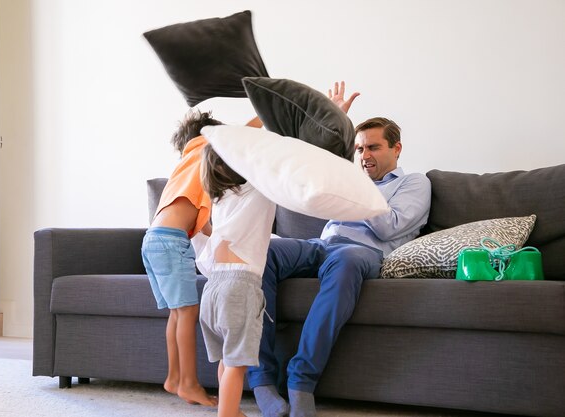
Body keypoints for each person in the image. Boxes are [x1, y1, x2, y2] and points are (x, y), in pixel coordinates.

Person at [247, 82, 432, 417]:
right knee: (263, 251)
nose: (364, 156)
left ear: (397, 149)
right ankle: (261, 379)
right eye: (359, 149)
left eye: (373, 147)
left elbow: (390, 225)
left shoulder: (414, 183)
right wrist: (330, 127)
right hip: (322, 244)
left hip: (362, 252)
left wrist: (356, 182)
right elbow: (307, 169)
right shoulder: (350, 174)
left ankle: (301, 379)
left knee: (346, 259)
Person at [141, 109, 221, 407]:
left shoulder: (186, 174)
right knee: (188, 313)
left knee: (177, 312)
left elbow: (206, 226)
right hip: (170, 242)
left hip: (155, 240)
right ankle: (189, 383)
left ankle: (174, 378)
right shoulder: (200, 150)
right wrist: (266, 113)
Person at [196, 134, 276, 417]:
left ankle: (228, 408)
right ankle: (227, 413)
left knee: (225, 359)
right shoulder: (260, 188)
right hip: (240, 287)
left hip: (212, 288)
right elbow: (285, 160)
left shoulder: (220, 200)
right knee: (236, 365)